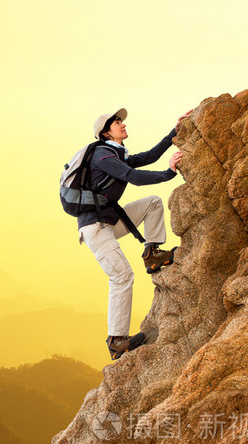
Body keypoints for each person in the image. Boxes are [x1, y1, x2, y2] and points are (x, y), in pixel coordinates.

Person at [79, 107, 192, 360]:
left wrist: (175, 131)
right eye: (118, 122)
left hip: (108, 221)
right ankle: (117, 340)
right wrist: (169, 173)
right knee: (122, 275)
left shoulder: (116, 153)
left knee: (152, 203)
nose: (123, 124)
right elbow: (133, 177)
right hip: (95, 228)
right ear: (107, 132)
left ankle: (152, 255)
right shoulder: (103, 155)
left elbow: (149, 156)